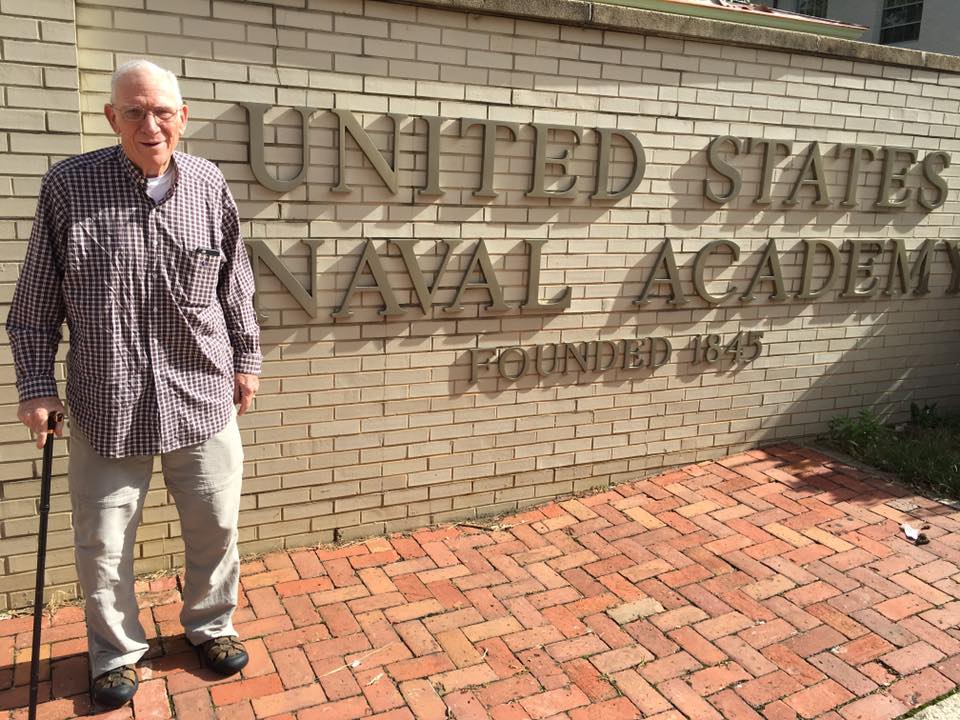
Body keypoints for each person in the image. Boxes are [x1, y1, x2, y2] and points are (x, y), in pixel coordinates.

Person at [6, 59, 261, 710]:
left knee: (216, 526)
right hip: (105, 403)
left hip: (200, 396)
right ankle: (116, 654)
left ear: (183, 118)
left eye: (164, 111)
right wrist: (36, 387)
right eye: (136, 111)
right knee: (103, 540)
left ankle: (210, 625)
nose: (152, 125)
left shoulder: (208, 182)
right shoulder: (69, 187)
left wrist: (247, 359)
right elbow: (33, 308)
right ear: (112, 117)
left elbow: (235, 285)